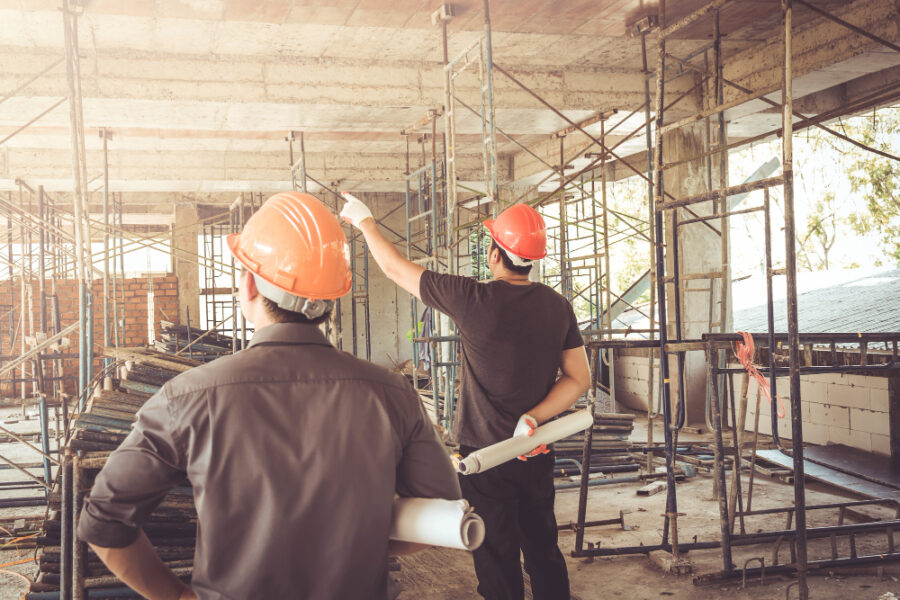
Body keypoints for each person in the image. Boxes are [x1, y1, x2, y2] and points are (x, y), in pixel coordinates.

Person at [77, 192, 462, 600]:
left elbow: (104, 523)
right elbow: (440, 514)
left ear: (248, 285)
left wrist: (178, 597)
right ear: (332, 299)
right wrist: (357, 549)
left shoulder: (187, 397)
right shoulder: (391, 394)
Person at [341, 194, 591, 600]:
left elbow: (393, 268)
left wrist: (365, 220)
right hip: (535, 447)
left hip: (486, 456)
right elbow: (578, 379)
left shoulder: (472, 298)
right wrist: (533, 416)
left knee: (496, 554)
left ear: (495, 254)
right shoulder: (558, 306)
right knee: (543, 549)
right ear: (531, 259)